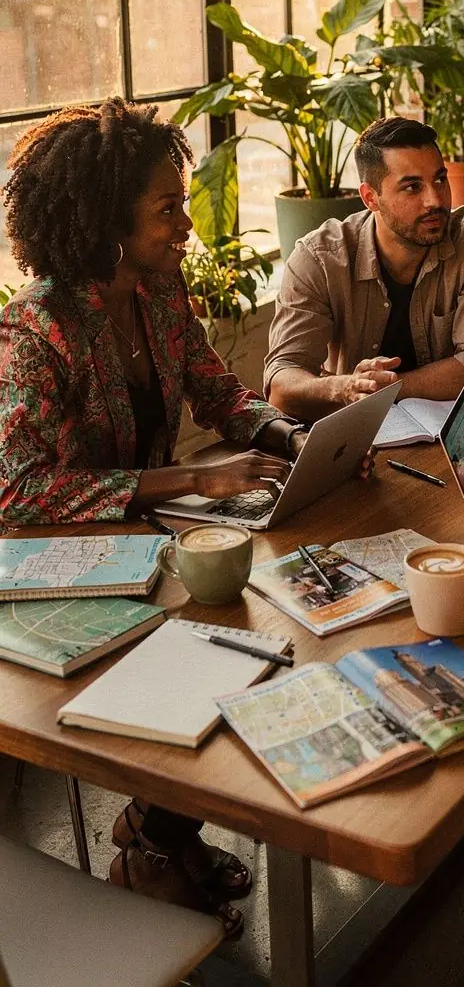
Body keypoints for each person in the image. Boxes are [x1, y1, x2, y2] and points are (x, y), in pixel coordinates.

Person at [0, 99, 310, 937]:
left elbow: (217, 388)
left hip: (143, 549)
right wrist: (188, 482)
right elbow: (14, 490)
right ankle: (148, 847)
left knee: (256, 651)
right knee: (216, 664)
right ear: (107, 220)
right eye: (167, 208)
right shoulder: (37, 330)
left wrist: (289, 433)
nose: (186, 225)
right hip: (54, 576)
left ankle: (158, 831)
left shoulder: (160, 292)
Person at [264, 116, 464, 417]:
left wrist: (385, 388)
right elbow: (281, 386)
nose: (435, 200)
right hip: (354, 437)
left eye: (439, 179)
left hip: (453, 435)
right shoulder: (319, 258)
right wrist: (344, 388)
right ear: (371, 198)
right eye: (412, 187)